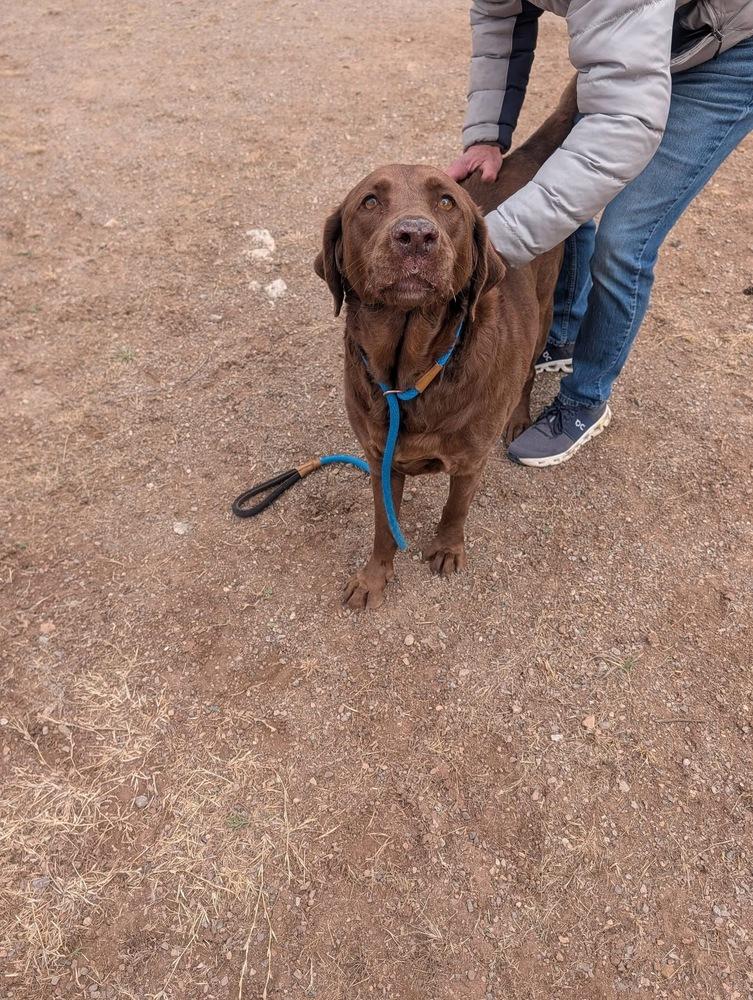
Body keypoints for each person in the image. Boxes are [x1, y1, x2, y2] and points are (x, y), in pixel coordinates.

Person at [447, 0, 753, 468]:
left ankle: (585, 399)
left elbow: (620, 129)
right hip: (633, 39)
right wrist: (486, 134)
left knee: (624, 241)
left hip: (726, 49)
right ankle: (563, 335)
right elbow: (498, 15)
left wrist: (482, 251)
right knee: (564, 190)